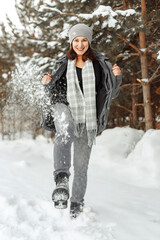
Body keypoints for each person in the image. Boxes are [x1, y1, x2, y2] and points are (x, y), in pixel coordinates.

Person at [41, 23, 122, 218]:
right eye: (76, 40)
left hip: (88, 119)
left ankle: (76, 203)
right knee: (65, 128)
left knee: (81, 166)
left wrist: (117, 78)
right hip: (64, 108)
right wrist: (45, 81)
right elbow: (51, 89)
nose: (80, 44)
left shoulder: (100, 64)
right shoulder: (62, 63)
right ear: (71, 42)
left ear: (89, 42)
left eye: (84, 40)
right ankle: (61, 179)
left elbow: (112, 93)